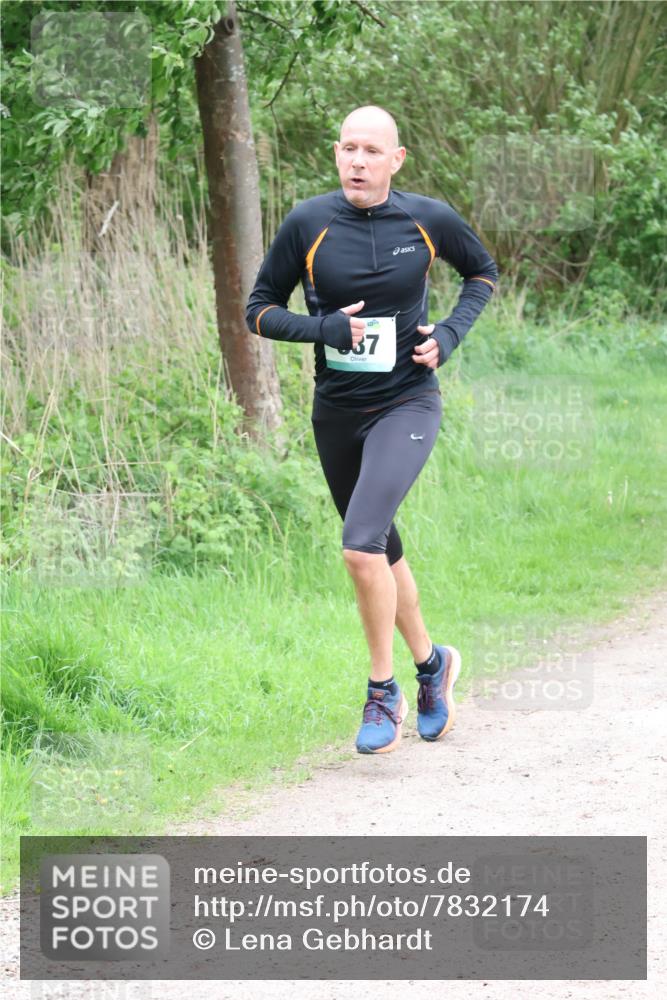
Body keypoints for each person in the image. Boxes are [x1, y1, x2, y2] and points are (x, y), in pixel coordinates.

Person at [246, 105, 498, 754]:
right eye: (347, 149)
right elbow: (258, 312)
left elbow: (481, 274)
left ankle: (381, 694)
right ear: (336, 154)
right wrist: (320, 328)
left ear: (396, 159)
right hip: (336, 411)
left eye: (370, 151)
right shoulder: (308, 222)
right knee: (381, 549)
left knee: (359, 547)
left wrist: (446, 334)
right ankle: (432, 665)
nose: (357, 161)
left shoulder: (428, 218)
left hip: (406, 404)